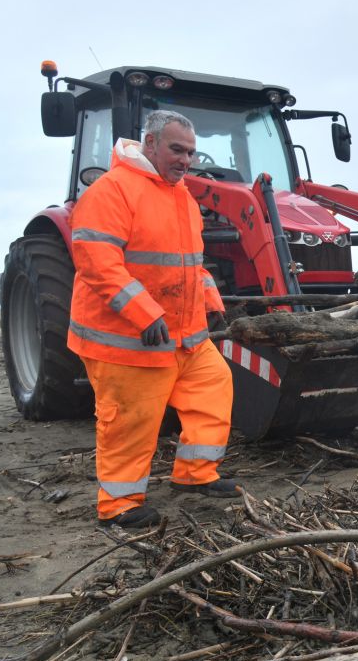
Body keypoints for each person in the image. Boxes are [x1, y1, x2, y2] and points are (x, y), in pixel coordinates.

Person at [67, 109, 239, 528]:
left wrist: (212, 304)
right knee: (130, 420)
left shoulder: (180, 195)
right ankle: (119, 505)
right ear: (150, 143)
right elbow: (97, 261)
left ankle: (195, 475)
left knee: (213, 388)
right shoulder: (113, 191)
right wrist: (143, 314)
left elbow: (189, 265)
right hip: (125, 339)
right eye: (176, 149)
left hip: (183, 336)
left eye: (191, 153)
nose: (185, 160)